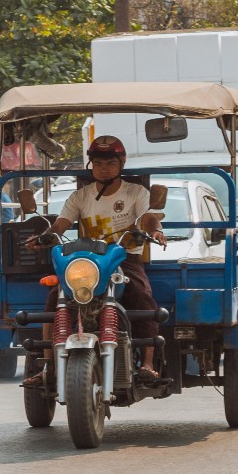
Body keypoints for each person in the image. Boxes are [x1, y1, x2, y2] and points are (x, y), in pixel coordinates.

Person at [43, 136, 169, 382]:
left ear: (121, 163)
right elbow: (61, 223)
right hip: (86, 260)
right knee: (53, 300)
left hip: (124, 258)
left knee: (142, 297)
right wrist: (47, 235)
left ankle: (148, 363)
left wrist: (156, 230)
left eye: (110, 162)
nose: (104, 168)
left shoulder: (136, 192)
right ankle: (46, 366)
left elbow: (148, 217)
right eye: (98, 162)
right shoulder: (80, 196)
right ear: (91, 164)